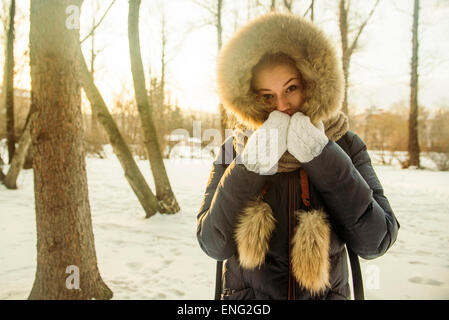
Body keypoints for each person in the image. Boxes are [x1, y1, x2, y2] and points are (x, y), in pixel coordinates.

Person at [196, 12, 400, 300]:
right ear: (250, 97)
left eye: (291, 88)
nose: (282, 105)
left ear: (312, 82)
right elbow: (212, 244)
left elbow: (376, 241)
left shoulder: (346, 144)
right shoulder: (235, 148)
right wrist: (251, 165)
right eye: (268, 96)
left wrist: (322, 155)